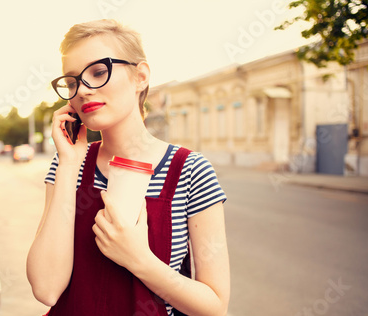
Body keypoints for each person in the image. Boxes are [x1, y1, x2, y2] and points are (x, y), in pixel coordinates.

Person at [27, 19, 230, 316]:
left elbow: (214, 306)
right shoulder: (67, 162)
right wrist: (70, 166)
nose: (82, 90)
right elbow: (46, 289)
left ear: (140, 76)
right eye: (71, 82)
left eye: (98, 72)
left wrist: (138, 259)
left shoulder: (190, 171)